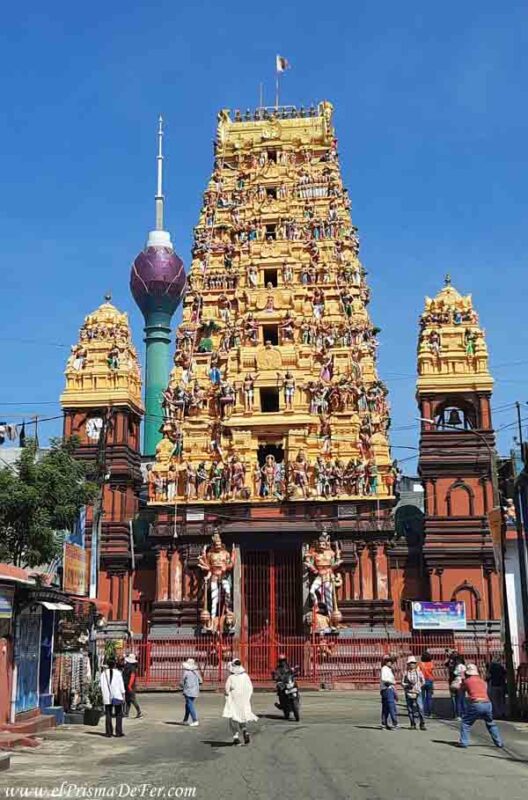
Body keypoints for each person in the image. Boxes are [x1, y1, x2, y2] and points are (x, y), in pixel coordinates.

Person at [454, 663, 504, 749]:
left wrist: (460, 680)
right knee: (490, 723)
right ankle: (499, 742)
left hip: (476, 703)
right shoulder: (482, 681)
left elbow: (459, 689)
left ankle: (464, 742)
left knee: (466, 723)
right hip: (487, 703)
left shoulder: (467, 681)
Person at [223, 659, 258, 745]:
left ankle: (236, 737)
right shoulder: (245, 676)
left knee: (233, 717)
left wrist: (228, 694)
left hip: (234, 700)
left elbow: (227, 689)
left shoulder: (231, 677)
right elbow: (250, 688)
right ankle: (244, 730)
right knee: (242, 716)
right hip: (244, 701)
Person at [100, 657, 126, 738]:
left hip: (107, 696)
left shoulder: (103, 674)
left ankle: (108, 732)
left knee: (108, 714)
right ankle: (118, 732)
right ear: (114, 664)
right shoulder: (118, 673)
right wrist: (123, 694)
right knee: (119, 714)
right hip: (117, 695)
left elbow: (100, 685)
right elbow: (121, 685)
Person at [402, 656, 426, 730]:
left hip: (417, 692)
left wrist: (419, 686)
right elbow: (402, 683)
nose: (412, 664)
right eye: (411, 663)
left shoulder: (419, 672)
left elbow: (423, 681)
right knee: (410, 709)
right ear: (408, 664)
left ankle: (422, 723)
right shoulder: (405, 673)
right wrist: (407, 685)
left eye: (413, 663)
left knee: (420, 708)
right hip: (409, 692)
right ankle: (412, 723)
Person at [379, 655, 399, 730]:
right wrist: (393, 682)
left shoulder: (388, 669)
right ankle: (394, 723)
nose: (390, 663)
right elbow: (384, 679)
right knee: (391, 706)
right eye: (389, 661)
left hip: (386, 689)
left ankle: (384, 723)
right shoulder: (385, 668)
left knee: (385, 707)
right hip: (388, 689)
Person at [181, 658, 202, 726]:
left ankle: (195, 720)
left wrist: (182, 686)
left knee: (190, 705)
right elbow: (201, 681)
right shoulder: (196, 672)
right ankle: (185, 720)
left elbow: (182, 682)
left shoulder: (186, 672)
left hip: (188, 690)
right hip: (195, 690)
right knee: (188, 704)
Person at [123, 654, 142, 719]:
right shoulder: (128, 666)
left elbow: (132, 677)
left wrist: (129, 685)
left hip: (130, 685)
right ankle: (126, 713)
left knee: (132, 699)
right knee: (127, 700)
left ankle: (139, 712)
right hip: (127, 684)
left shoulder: (132, 668)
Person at [420, 651, 435, 717]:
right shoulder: (431, 664)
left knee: (422, 697)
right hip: (430, 680)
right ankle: (430, 713)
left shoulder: (420, 664)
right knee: (429, 697)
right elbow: (432, 671)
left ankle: (422, 712)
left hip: (422, 680)